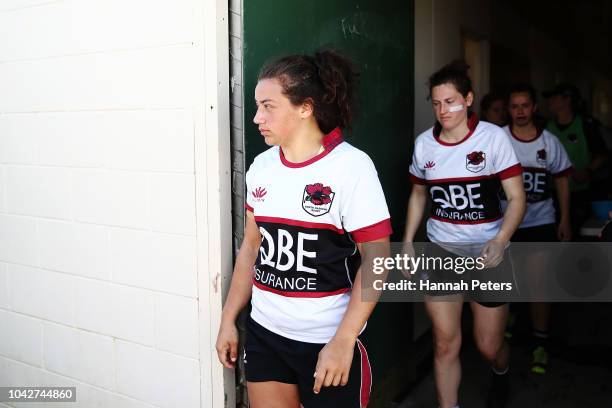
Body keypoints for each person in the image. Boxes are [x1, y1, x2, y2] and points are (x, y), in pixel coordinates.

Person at [215, 50, 392, 408]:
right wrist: (228, 319)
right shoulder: (262, 167)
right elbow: (251, 248)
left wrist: (343, 340)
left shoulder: (352, 168)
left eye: (268, 106)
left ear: (305, 108)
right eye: (257, 106)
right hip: (265, 336)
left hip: (326, 340)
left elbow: (378, 260)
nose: (256, 118)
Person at [404, 60, 526, 408]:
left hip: (487, 252)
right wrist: (411, 241)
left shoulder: (493, 137)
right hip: (440, 250)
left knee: (488, 345)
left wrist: (501, 241)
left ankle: (501, 369)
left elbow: (517, 198)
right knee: (445, 343)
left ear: (469, 99)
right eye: (437, 103)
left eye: (452, 101)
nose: (444, 110)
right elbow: (418, 193)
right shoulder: (425, 144)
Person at [502, 83, 573, 375]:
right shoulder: (499, 139)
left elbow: (562, 180)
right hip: (504, 225)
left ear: (534, 108)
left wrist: (565, 219)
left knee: (539, 284)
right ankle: (506, 324)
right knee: (507, 281)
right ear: (509, 110)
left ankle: (539, 342)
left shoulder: (550, 142)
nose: (520, 112)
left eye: (525, 106)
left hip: (540, 222)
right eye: (514, 106)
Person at [544, 83, 609, 237]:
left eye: (554, 97)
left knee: (579, 233)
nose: (549, 102)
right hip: (553, 194)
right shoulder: (546, 127)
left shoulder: (586, 125)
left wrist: (587, 171)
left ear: (567, 100)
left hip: (580, 194)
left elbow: (602, 154)